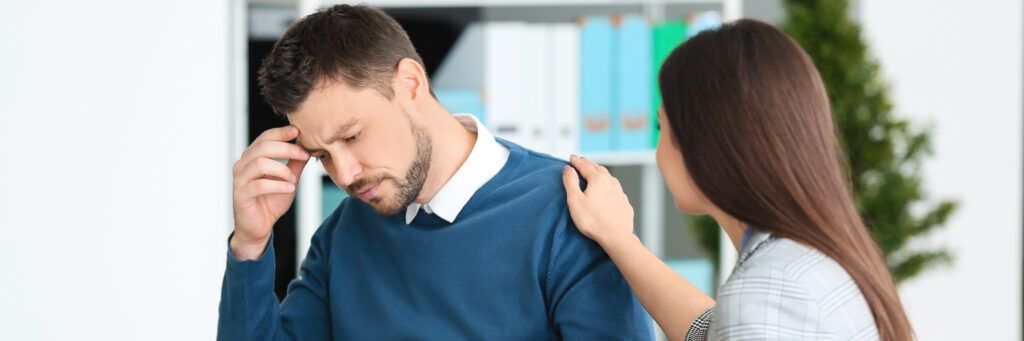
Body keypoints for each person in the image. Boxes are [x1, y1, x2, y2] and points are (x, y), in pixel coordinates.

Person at [218, 4, 652, 340]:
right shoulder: (341, 236)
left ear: (410, 83)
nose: (345, 175)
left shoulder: (569, 215)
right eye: (322, 155)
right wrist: (251, 245)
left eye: (351, 137)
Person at [562, 19, 913, 340]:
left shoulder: (767, 292)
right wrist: (618, 239)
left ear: (706, 143)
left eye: (661, 128)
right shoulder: (808, 256)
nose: (659, 152)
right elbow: (711, 331)